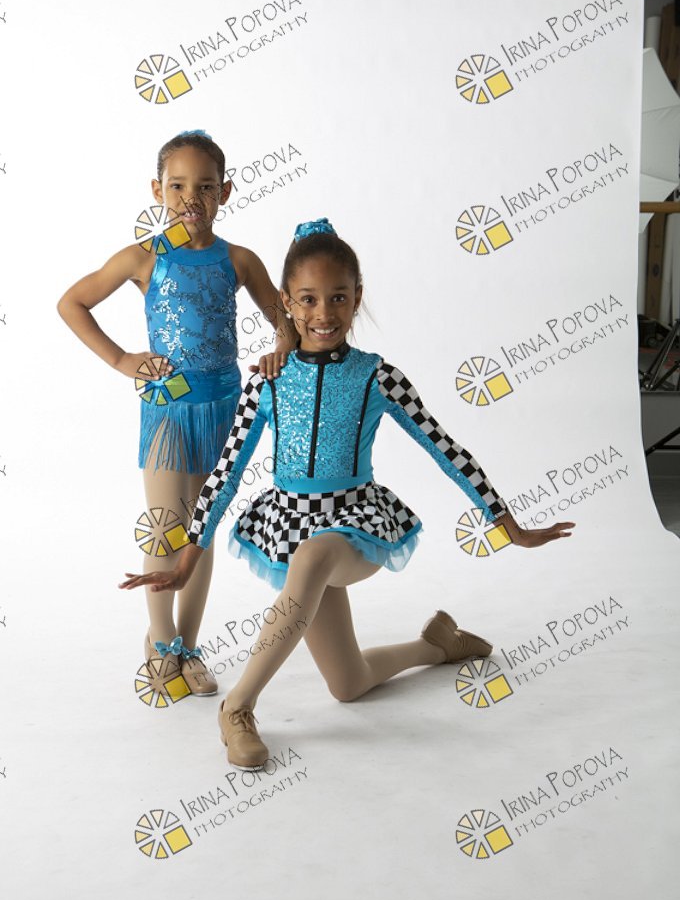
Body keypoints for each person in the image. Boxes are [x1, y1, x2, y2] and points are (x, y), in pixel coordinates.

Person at [119, 219, 574, 765]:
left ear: (358, 297)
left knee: (312, 558)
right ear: (287, 302)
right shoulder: (266, 381)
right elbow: (226, 473)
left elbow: (446, 450)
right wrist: (189, 556)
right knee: (348, 683)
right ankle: (437, 644)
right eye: (308, 299)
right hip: (291, 524)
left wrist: (505, 522)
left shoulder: (377, 377)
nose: (324, 313)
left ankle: (237, 708)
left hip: (355, 525)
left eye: (338, 297)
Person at [58, 130, 297, 697]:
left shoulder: (239, 260)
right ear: (157, 190)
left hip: (222, 406)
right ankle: (160, 640)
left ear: (226, 192)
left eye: (206, 186)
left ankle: (188, 644)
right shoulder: (144, 257)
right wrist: (122, 359)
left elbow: (284, 321)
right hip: (167, 409)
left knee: (200, 528)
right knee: (167, 524)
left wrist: (280, 348)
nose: (193, 198)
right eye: (179, 186)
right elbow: (72, 302)